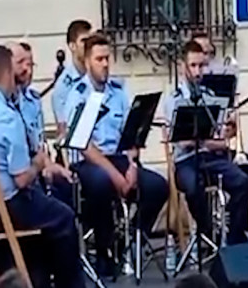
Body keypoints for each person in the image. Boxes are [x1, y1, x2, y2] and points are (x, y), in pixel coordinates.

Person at [0, 46, 85, 287]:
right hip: (2, 209)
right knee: (63, 218)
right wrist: (38, 162)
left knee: (40, 227)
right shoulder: (7, 116)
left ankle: (39, 279)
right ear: (7, 76)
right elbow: (22, 179)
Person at [63, 34, 169, 276]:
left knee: (157, 187)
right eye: (99, 59)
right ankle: (103, 250)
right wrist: (116, 177)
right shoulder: (77, 94)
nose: (105, 64)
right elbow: (84, 146)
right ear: (88, 62)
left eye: (107, 58)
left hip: (119, 158)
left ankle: (129, 240)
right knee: (101, 184)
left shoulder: (119, 91)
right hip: (88, 162)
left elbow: (131, 134)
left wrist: (131, 166)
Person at [161, 40, 248, 245]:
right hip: (185, 161)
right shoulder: (173, 100)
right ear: (182, 67)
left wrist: (227, 132)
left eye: (201, 66)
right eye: (193, 66)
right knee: (193, 186)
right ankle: (208, 232)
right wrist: (205, 137)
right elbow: (180, 141)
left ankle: (230, 232)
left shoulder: (210, 96)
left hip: (208, 157)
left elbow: (219, 140)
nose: (198, 72)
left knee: (243, 182)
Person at [8, 42, 73, 207]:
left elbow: (40, 141)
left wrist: (50, 165)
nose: (28, 71)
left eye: (30, 64)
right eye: (21, 63)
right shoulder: (8, 103)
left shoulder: (33, 100)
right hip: (26, 174)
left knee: (69, 186)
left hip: (40, 166)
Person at [51, 19, 92, 128]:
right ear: (72, 46)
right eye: (83, 41)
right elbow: (63, 129)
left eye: (90, 40)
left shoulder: (97, 76)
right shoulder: (63, 87)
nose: (88, 45)